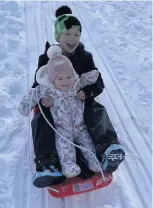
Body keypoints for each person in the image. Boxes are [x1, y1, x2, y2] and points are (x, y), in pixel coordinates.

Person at [29, 5, 125, 188]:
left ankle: (107, 150)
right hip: (56, 105)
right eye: (67, 34)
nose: (72, 39)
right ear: (58, 36)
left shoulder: (85, 57)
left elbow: (98, 82)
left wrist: (88, 92)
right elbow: (37, 85)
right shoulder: (46, 59)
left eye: (76, 34)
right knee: (41, 117)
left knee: (95, 108)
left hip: (78, 102)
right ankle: (48, 165)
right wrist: (43, 101)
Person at [19, 45, 101, 183]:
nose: (66, 81)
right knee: (64, 148)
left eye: (68, 76)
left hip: (80, 127)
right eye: (60, 78)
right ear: (52, 80)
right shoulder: (49, 90)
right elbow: (34, 93)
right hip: (62, 130)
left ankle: (95, 162)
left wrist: (92, 75)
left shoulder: (76, 83)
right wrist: (25, 106)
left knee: (88, 144)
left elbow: (89, 78)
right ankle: (68, 166)